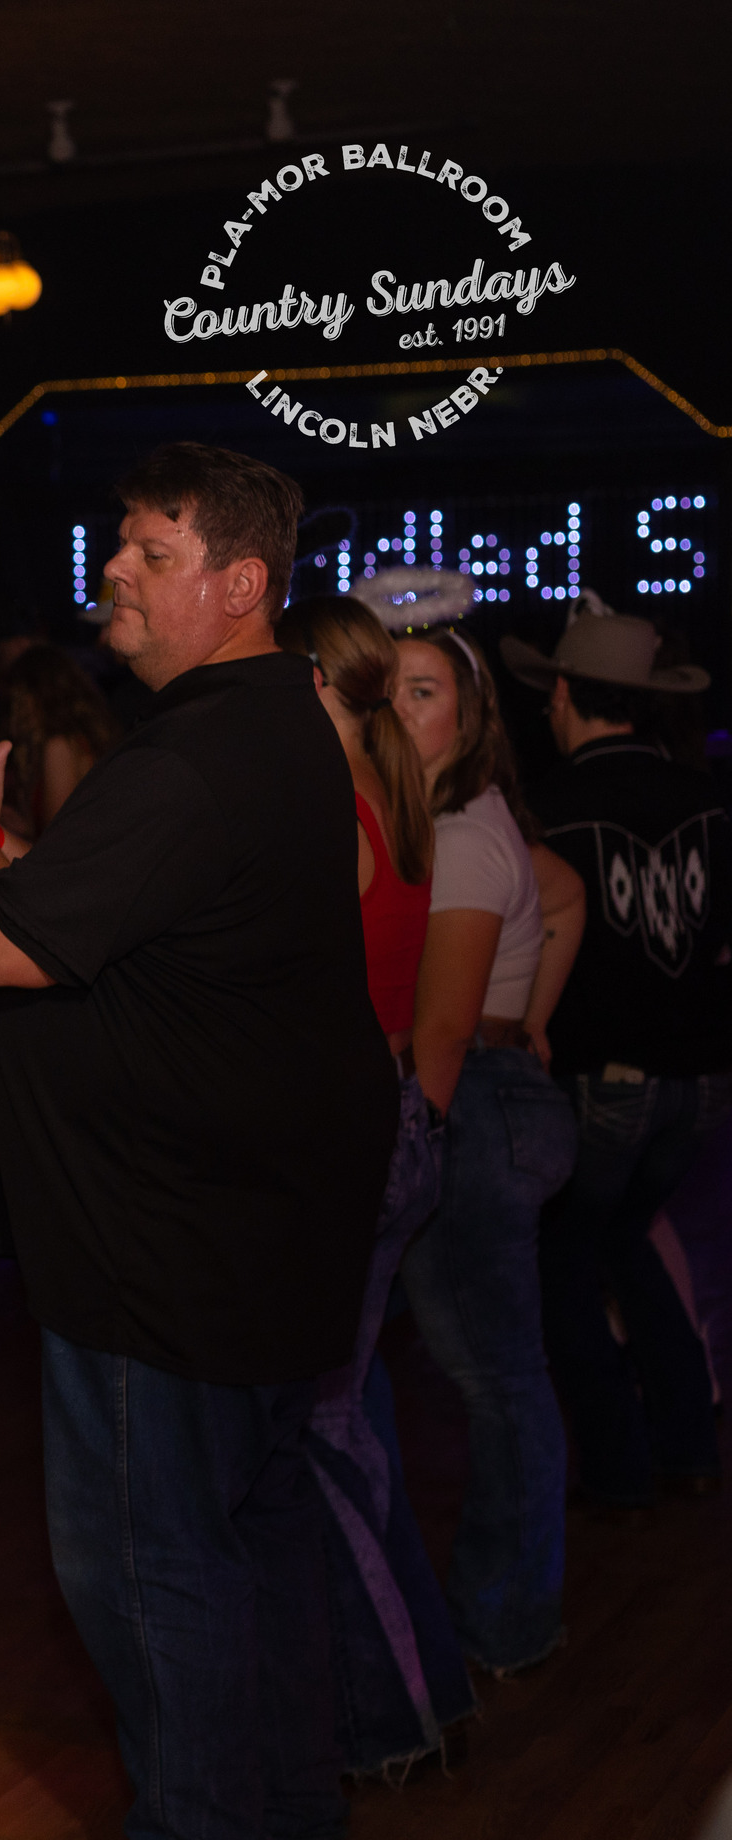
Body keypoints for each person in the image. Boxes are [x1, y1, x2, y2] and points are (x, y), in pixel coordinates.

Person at [0, 442, 388, 1840]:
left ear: (242, 582)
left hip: (167, 1248)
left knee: (157, 1580)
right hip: (259, 1232)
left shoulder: (193, 757)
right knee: (256, 1547)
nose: (117, 575)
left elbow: (7, 949)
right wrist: (7, 843)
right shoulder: (279, 725)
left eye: (153, 553)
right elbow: (148, 925)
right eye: (119, 546)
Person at [275, 594, 470, 1781]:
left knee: (324, 1433)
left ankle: (396, 1715)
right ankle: (425, 1690)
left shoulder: (335, 810)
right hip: (390, 1123)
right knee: (351, 1418)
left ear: (312, 682)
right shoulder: (397, 796)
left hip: (347, 1141)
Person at [390, 623, 584, 1679]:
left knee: (497, 1377)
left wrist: (409, 1143)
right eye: (389, 687)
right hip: (494, 1095)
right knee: (500, 1371)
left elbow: (443, 1029)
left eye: (424, 691)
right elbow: (564, 892)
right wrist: (534, 1016)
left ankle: (506, 1618)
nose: (399, 706)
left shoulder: (461, 833)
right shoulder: (463, 818)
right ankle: (504, 1610)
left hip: (466, 1107)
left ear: (469, 719)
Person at [508, 607, 732, 1506]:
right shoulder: (707, 798)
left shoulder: (548, 808)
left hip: (602, 1082)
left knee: (565, 1266)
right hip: (703, 1082)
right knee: (622, 1243)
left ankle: (618, 1473)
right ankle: (687, 1448)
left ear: (562, 695)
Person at [0, 643, 120, 841]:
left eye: (17, 698)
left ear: (34, 695)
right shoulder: (74, 739)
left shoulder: (59, 746)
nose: (14, 709)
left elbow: (59, 838)